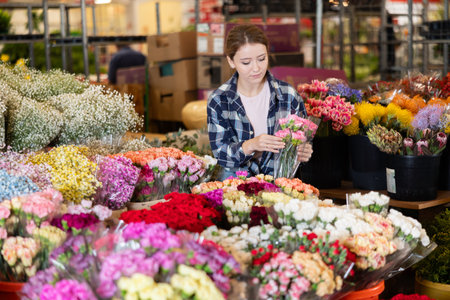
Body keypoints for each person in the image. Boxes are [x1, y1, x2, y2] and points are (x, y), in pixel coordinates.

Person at [207, 24, 313, 180]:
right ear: (231, 61)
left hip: (281, 184)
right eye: (246, 62)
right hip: (235, 188)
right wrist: (251, 145)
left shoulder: (288, 95)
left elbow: (300, 144)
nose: (256, 68)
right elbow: (221, 155)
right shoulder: (219, 100)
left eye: (261, 59)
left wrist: (304, 151)